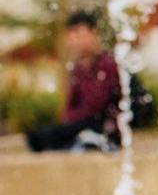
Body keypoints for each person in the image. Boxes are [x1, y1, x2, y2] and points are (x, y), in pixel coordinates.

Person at [26, 10, 121, 153]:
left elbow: (95, 104)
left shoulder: (108, 64)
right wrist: (68, 123)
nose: (74, 40)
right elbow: (71, 105)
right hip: (83, 123)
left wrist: (72, 123)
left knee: (50, 136)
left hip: (104, 125)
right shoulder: (78, 69)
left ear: (94, 34)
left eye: (78, 34)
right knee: (43, 135)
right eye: (71, 35)